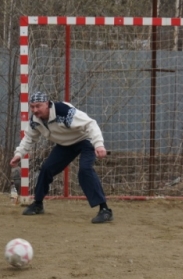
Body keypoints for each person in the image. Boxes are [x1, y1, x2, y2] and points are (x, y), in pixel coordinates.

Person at [9, 91, 114, 224]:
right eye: (32, 106)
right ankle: (38, 204)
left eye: (38, 106)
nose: (35, 110)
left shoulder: (64, 112)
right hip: (65, 145)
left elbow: (90, 124)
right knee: (46, 169)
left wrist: (98, 145)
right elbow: (29, 138)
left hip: (85, 140)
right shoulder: (35, 121)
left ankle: (104, 210)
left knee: (85, 170)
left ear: (47, 104)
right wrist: (19, 154)